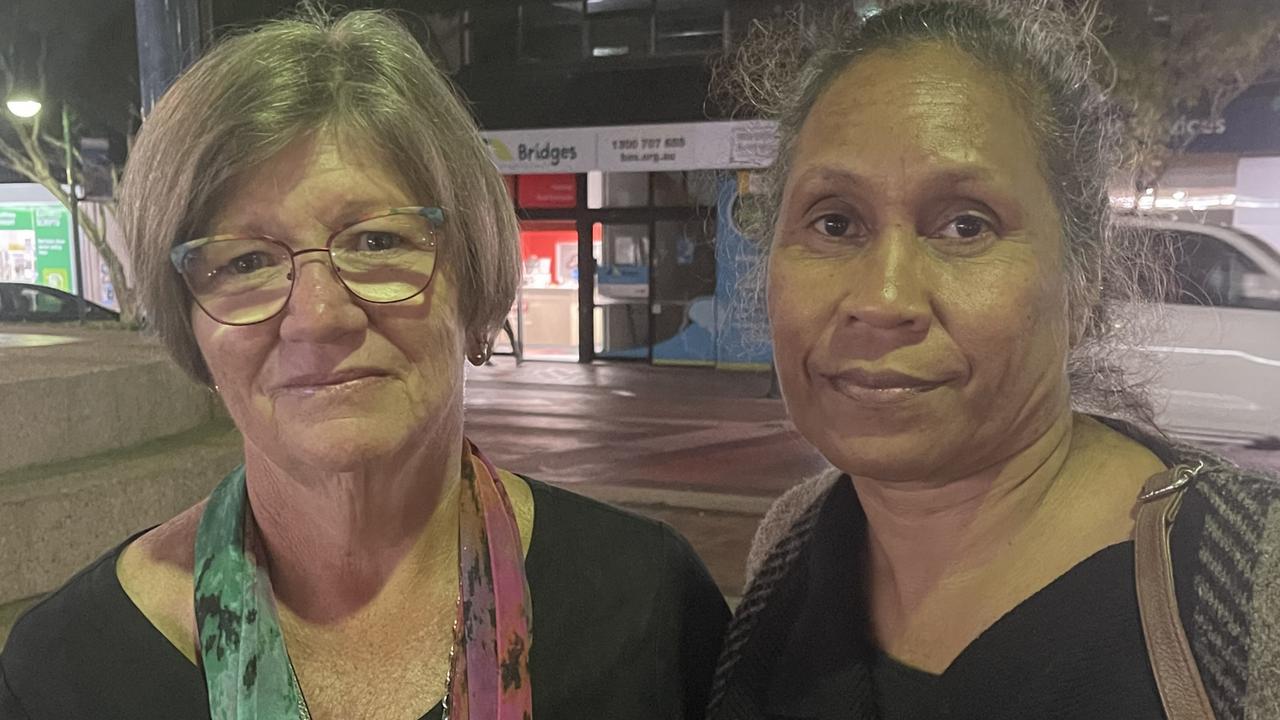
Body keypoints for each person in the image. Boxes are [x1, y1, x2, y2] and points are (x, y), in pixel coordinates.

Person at [0, 9, 727, 720]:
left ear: (472, 279)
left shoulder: (650, 608)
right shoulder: (67, 670)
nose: (319, 315)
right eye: (246, 261)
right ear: (192, 328)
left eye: (376, 242)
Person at [707, 2, 1280, 719]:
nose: (883, 299)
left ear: (1085, 272)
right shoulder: (790, 546)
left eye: (965, 225)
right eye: (835, 222)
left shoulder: (1251, 591)